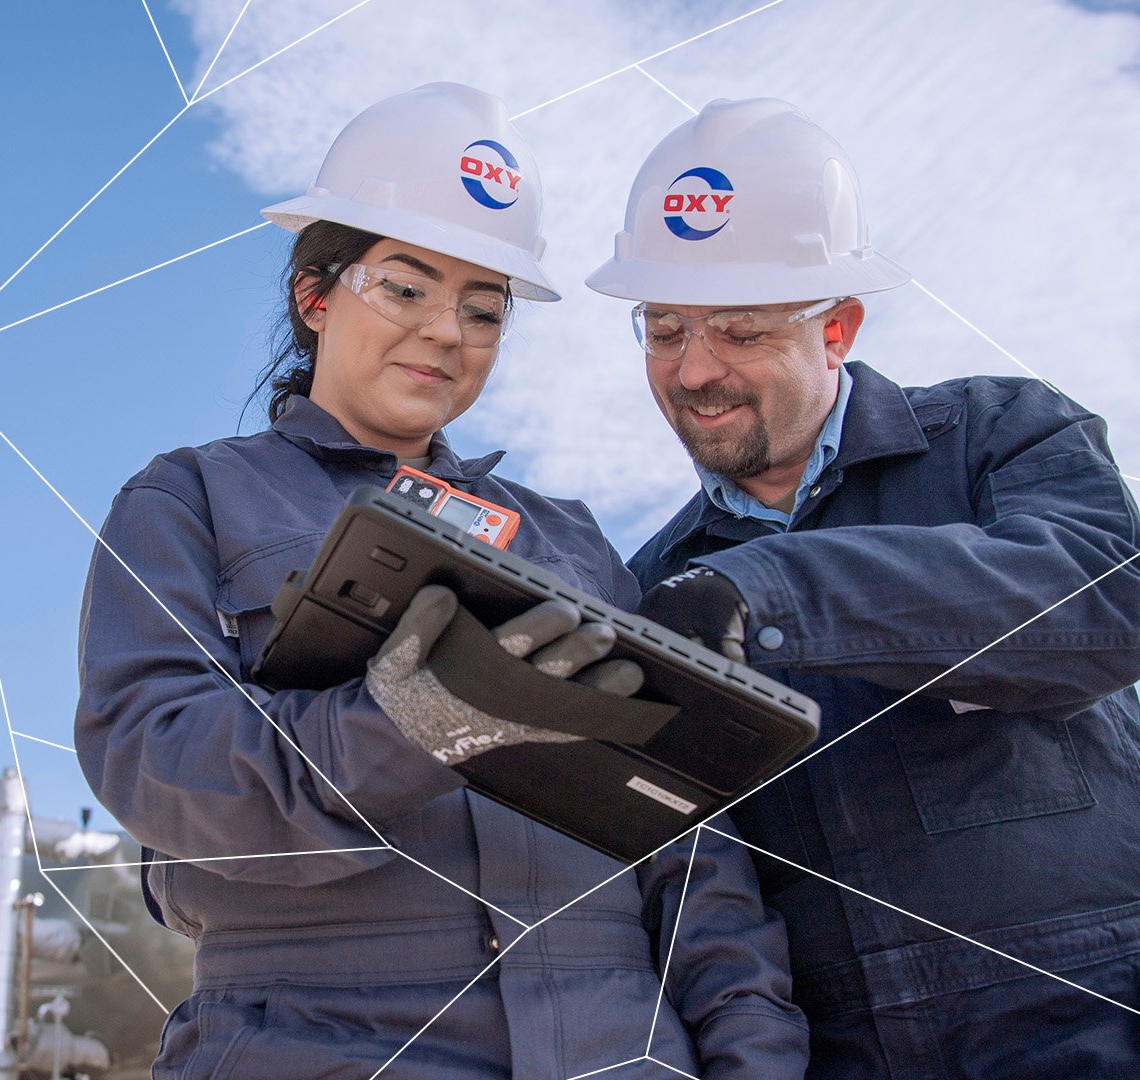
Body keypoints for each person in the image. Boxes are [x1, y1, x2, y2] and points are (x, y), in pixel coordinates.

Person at [74, 83, 807, 1080]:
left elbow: (691, 844)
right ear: (317, 295)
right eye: (406, 288)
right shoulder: (191, 502)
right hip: (315, 1036)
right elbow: (156, 763)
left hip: (619, 1048)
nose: (445, 333)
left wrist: (751, 1055)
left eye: (482, 308)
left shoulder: (571, 542)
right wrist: (416, 716)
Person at [590, 98, 1140, 1078]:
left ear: (836, 326)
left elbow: (1103, 605)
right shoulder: (654, 587)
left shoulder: (999, 435)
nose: (693, 370)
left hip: (1086, 1016)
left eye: (740, 332)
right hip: (844, 1052)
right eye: (663, 329)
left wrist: (769, 596)